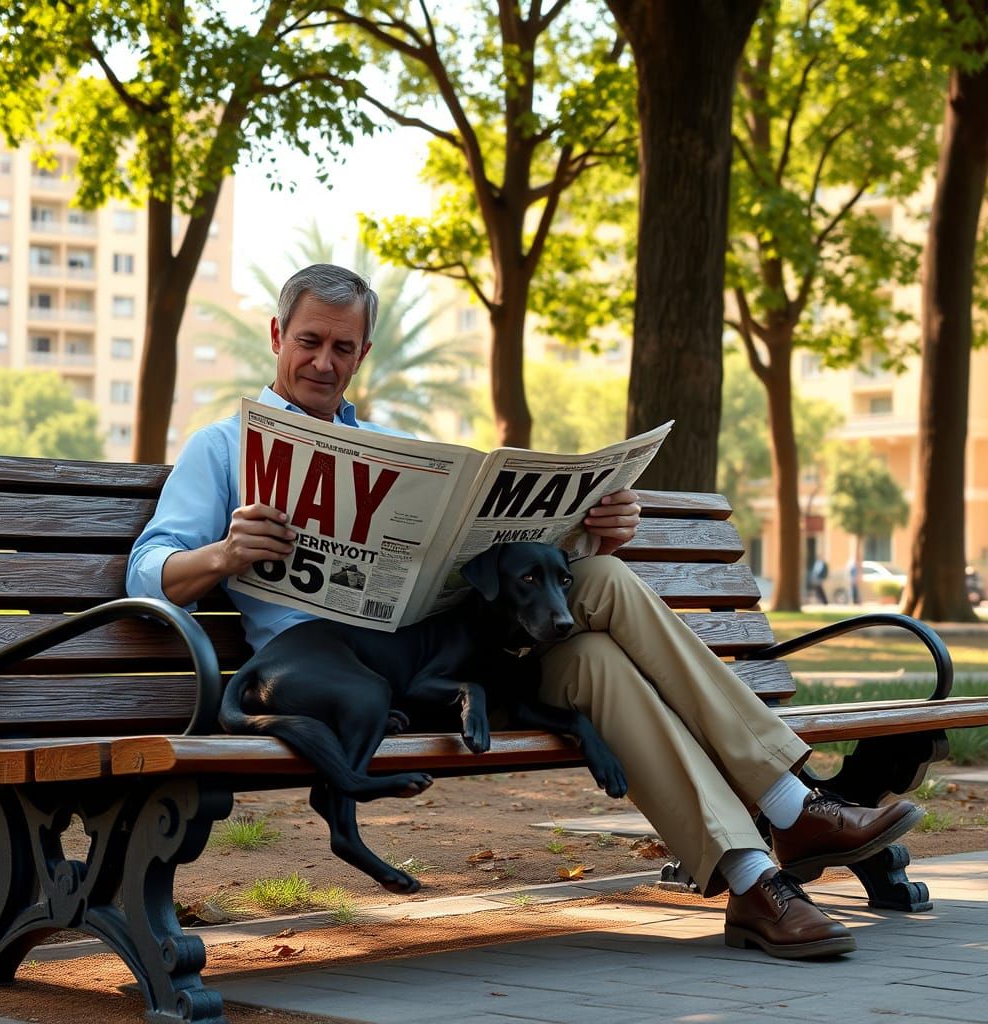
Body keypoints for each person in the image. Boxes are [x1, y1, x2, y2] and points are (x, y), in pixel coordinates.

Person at [127, 264, 922, 961]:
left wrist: (591, 527)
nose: (324, 362)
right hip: (353, 674)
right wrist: (223, 557)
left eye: (343, 347)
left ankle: (776, 831)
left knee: (601, 575)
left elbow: (497, 565)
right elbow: (147, 569)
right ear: (277, 335)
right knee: (607, 659)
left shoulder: (395, 447)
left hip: (464, 656)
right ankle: (770, 848)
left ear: (364, 353)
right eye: (309, 341)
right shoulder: (224, 448)